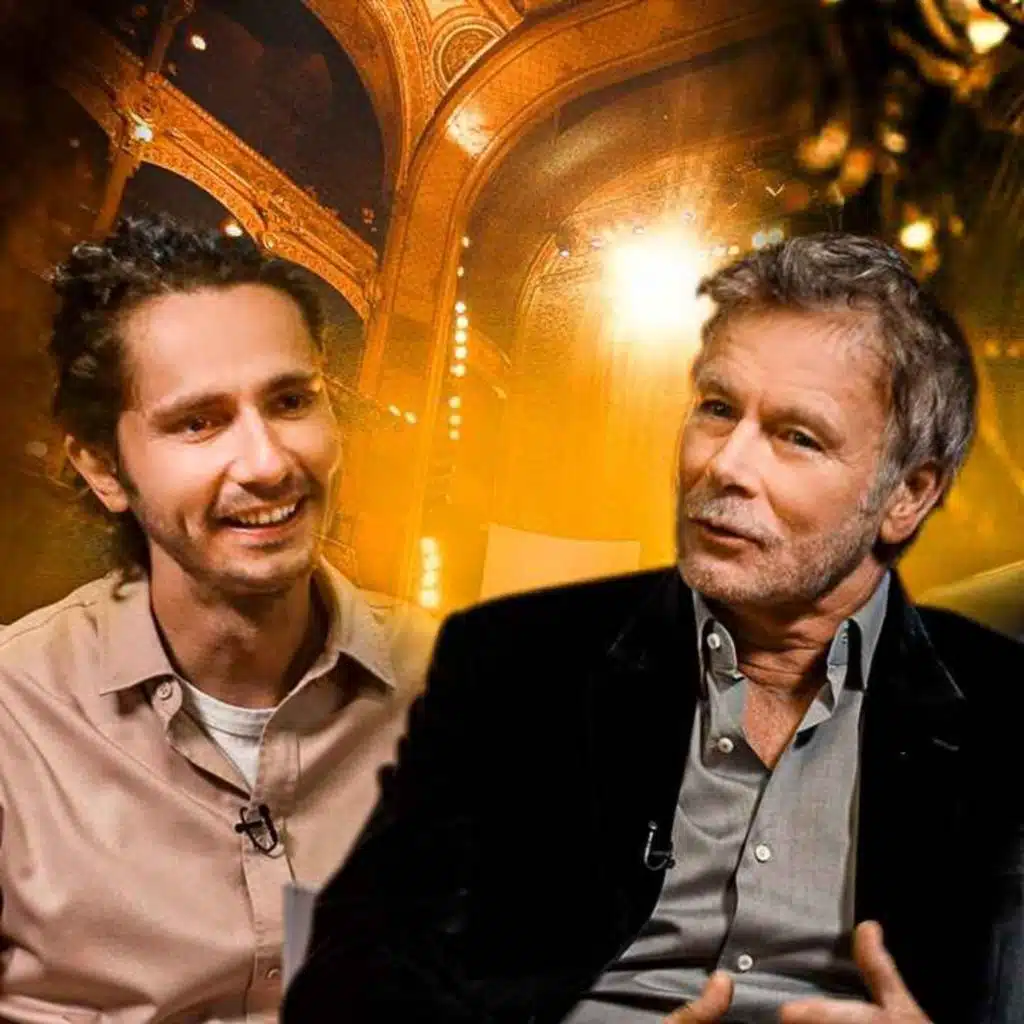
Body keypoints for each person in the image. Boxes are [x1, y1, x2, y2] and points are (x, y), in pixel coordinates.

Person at [285, 233, 1024, 1024]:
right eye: (717, 408)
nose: (725, 465)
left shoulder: (1004, 709)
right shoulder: (516, 662)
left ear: (907, 496)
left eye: (797, 437)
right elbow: (348, 980)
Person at [0, 215, 436, 1022]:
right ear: (103, 467)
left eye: (292, 401)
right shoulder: (14, 719)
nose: (268, 463)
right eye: (197, 421)